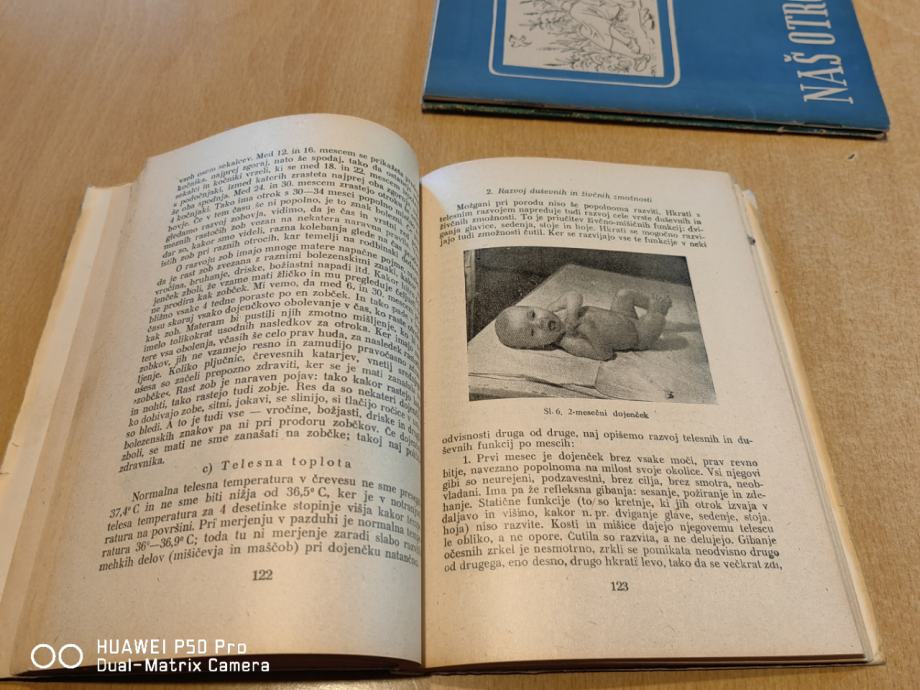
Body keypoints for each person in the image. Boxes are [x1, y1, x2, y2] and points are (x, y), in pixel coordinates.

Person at [494, 289, 671, 361]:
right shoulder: (569, 342)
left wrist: (572, 313)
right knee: (653, 318)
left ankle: (654, 303)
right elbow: (605, 354)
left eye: (532, 314)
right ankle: (657, 309)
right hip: (638, 336)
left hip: (623, 316)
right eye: (532, 332)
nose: (539, 322)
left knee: (624, 294)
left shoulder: (554, 310)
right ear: (538, 346)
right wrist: (588, 329)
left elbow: (574, 295)